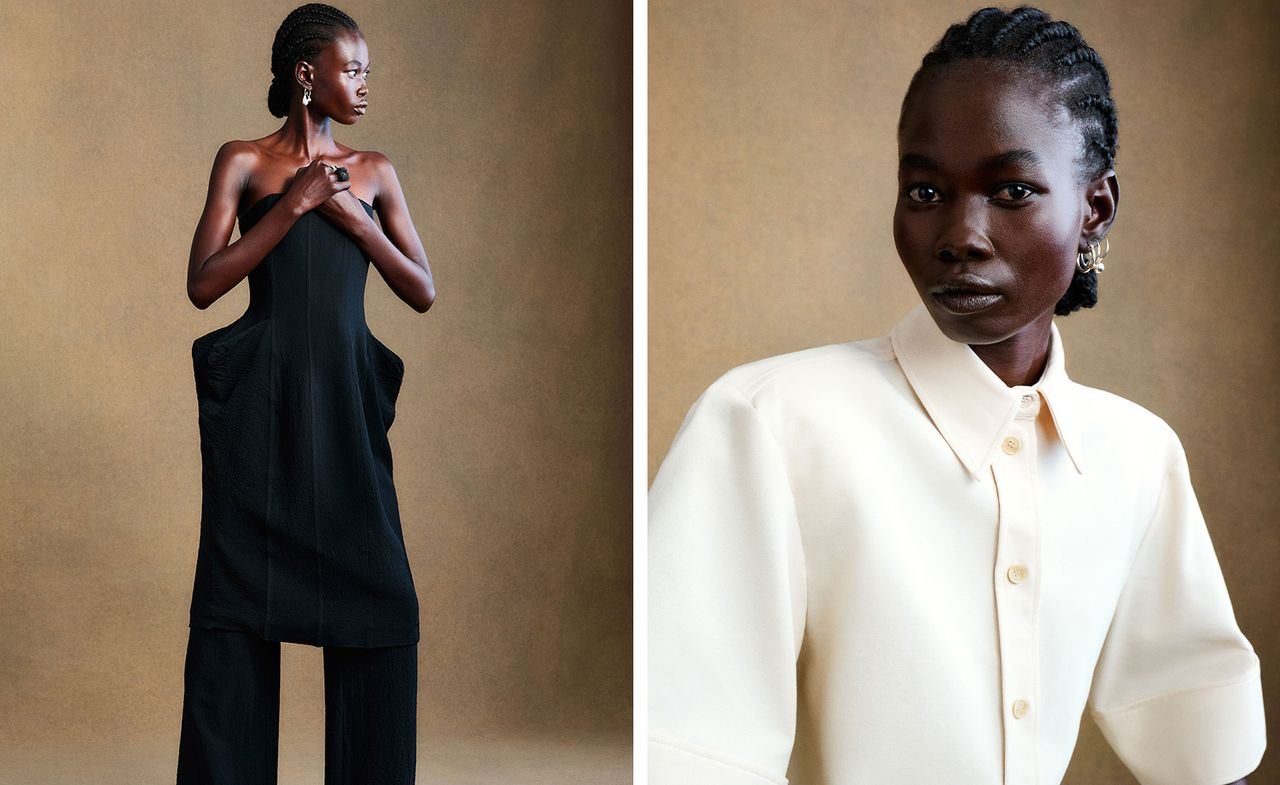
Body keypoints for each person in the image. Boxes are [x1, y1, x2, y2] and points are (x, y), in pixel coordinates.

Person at [648, 6, 1264, 785]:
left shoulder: (1138, 457)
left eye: (1011, 189)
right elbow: (689, 752)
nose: (960, 233)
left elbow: (1203, 756)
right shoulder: (766, 425)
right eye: (925, 189)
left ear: (1094, 210)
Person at [178, 4, 435, 783]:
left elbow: (422, 290)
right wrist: (291, 205)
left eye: (365, 72)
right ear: (306, 74)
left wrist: (356, 222)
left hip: (346, 397)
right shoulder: (243, 161)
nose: (362, 85)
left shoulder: (376, 169)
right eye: (350, 69)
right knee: (234, 599)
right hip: (264, 395)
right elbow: (203, 284)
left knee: (381, 599)